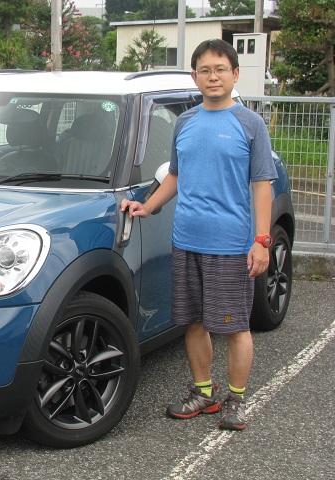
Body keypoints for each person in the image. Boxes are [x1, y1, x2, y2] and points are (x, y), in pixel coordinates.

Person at [120, 39, 277, 430]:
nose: (213, 76)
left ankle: (236, 400)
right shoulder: (185, 122)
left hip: (231, 244)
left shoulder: (250, 124)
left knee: (235, 327)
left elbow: (262, 185)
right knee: (192, 322)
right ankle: (203, 392)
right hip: (187, 239)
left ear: (235, 74)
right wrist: (148, 206)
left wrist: (261, 241)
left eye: (220, 69)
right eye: (205, 70)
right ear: (195, 76)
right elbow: (176, 175)